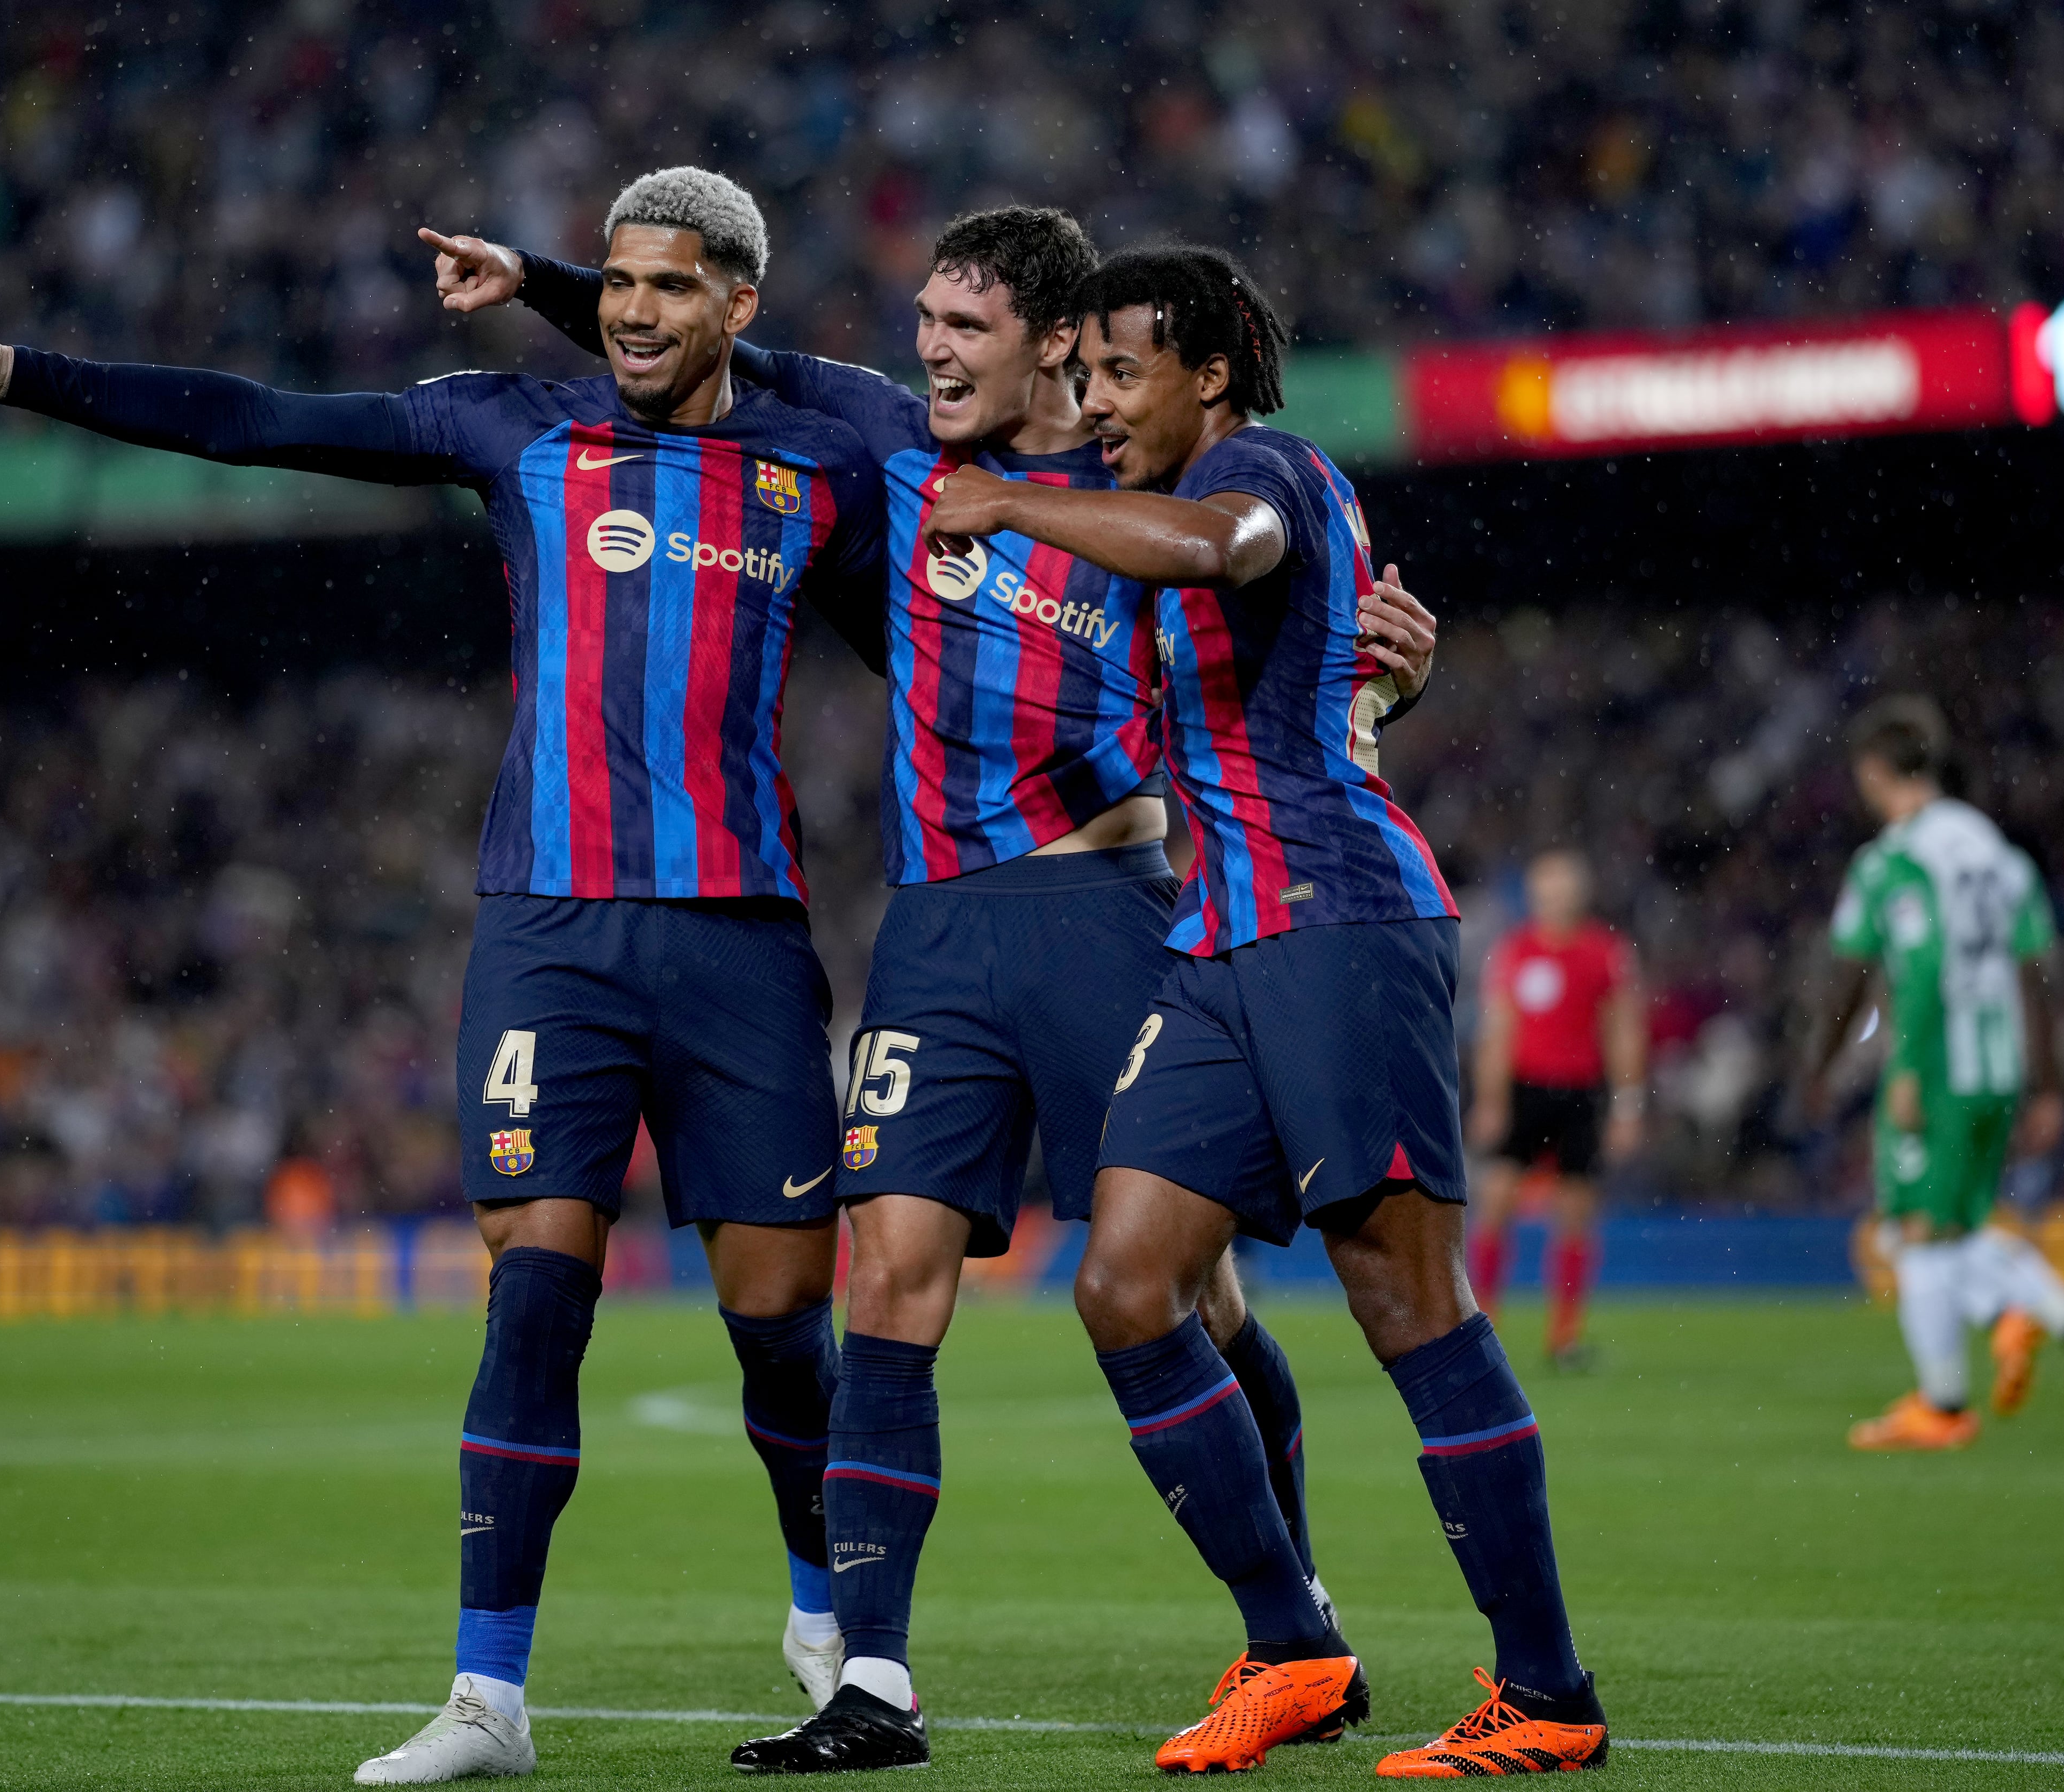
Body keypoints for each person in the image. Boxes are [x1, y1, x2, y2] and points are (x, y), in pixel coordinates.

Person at [0, 166, 889, 1785]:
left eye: (673, 286)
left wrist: (538, 269)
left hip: (740, 932)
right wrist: (23, 373)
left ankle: (823, 1609)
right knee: (534, 1285)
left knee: (776, 1321)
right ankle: (488, 1697)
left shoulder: (822, 445)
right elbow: (256, 418)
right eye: (613, 282)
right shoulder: (506, 430)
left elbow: (903, 421)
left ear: (742, 303)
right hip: (548, 930)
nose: (631, 310)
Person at [427, 205, 1433, 1774]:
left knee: (1184, 1291)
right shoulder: (886, 441)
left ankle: (1289, 1618)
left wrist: (1376, 674)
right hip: (932, 932)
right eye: (926, 324)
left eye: (966, 328)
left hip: (1106, 905)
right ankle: (873, 1681)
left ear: (1054, 344)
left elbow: (1288, 646)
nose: (930, 353)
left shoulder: (1146, 489)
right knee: (888, 1282)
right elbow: (711, 343)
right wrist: (545, 286)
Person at [925, 244, 1607, 1777]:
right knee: (1124, 1281)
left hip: (1339, 925)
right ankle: (1295, 1645)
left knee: (1410, 1304)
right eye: (1084, 374)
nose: (1096, 403)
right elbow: (1308, 690)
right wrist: (1388, 690)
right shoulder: (1192, 503)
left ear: (1212, 371)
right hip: (1223, 943)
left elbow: (1228, 549)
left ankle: (1550, 1689)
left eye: (1120, 372)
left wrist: (1015, 500)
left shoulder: (1263, 468)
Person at [1806, 695, 2064, 1451]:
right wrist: (2047, 1083)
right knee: (1951, 1229)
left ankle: (1955, 1398)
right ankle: (2035, 1325)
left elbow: (1895, 969)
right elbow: (2037, 969)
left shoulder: (1894, 861)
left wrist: (1851, 1064)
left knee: (1916, 1233)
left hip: (1939, 1059)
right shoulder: (1994, 849)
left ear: (1875, 772)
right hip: (2000, 1060)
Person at [1467, 849, 1645, 1370]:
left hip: (1580, 1093)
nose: (1555, 899)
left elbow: (1622, 1030)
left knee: (1574, 1215)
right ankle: (1484, 1328)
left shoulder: (1603, 952)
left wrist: (1627, 1106)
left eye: (1563, 889)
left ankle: (1563, 1338)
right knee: (1494, 1203)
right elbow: (1497, 1032)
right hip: (1524, 1090)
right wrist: (1491, 1101)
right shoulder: (1514, 951)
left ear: (1579, 894)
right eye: (1547, 890)